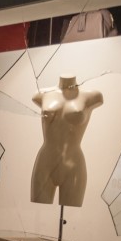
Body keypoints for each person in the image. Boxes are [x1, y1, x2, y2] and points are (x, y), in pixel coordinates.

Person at [30, 74, 103, 207]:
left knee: (70, 216)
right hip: (45, 163)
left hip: (73, 165)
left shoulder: (92, 96)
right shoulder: (42, 94)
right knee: (38, 215)